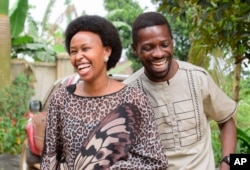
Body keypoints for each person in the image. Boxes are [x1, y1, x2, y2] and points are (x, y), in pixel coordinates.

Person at [40, 15, 167, 170]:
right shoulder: (62, 98)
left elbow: (155, 161)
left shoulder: (133, 99)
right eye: (74, 51)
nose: (79, 56)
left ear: (106, 51)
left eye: (85, 49)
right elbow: (50, 158)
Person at [123, 12, 237, 170]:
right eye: (148, 48)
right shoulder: (127, 92)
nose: (158, 53)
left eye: (164, 44)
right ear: (135, 49)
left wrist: (227, 163)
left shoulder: (198, 78)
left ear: (172, 43)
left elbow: (225, 120)